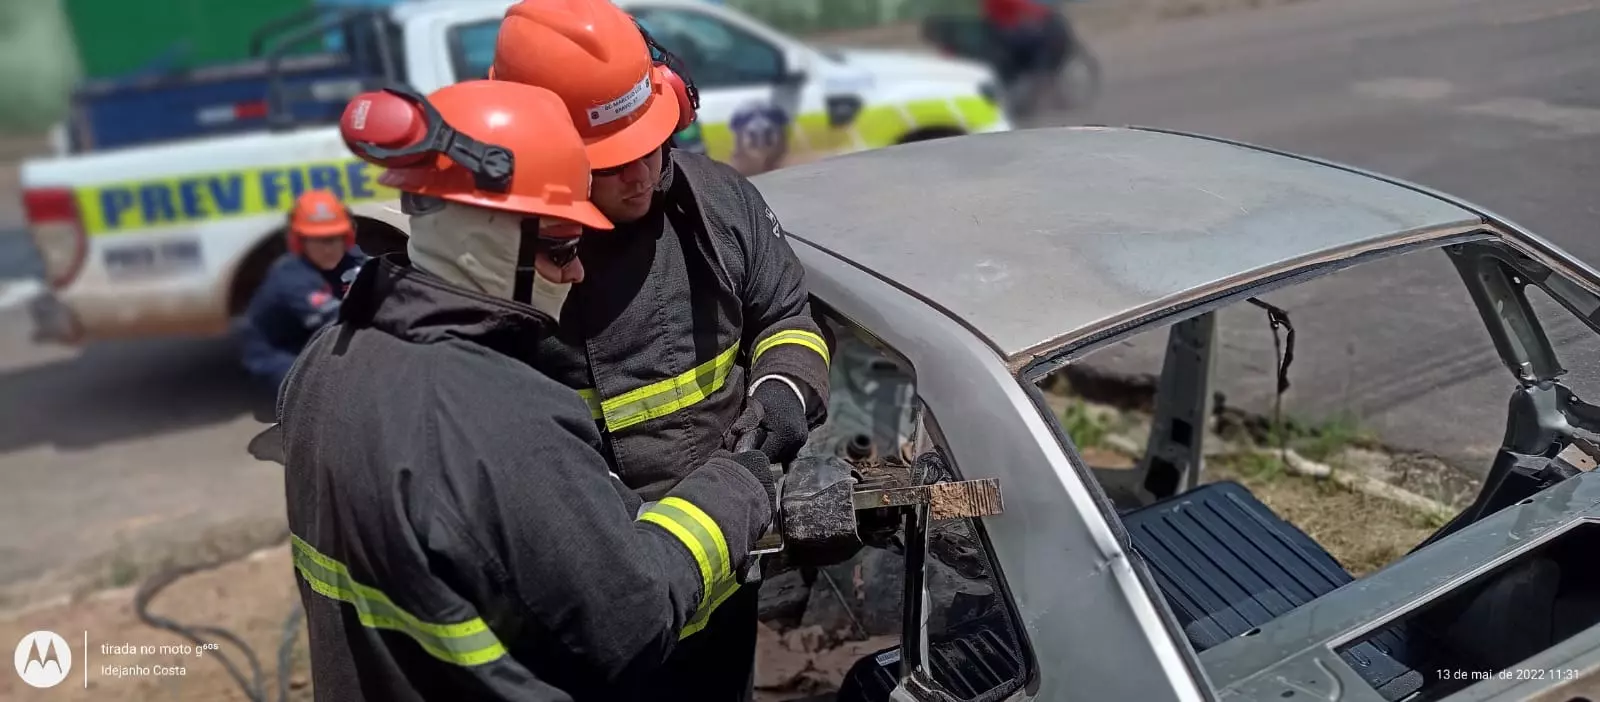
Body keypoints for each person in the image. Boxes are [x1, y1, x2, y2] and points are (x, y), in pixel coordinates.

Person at [279, 78, 777, 701]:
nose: (576, 271)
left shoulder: (323, 365)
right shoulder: (507, 419)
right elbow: (634, 618)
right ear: (488, 239)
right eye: (561, 247)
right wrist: (737, 484)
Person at [490, 3, 834, 698]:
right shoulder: (493, 253)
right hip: (580, 603)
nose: (641, 175)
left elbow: (788, 315)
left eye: (650, 144)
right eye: (610, 163)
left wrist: (784, 393)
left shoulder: (719, 204)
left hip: (726, 559)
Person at [236, 189, 367, 391]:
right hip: (279, 354)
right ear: (299, 242)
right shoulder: (290, 277)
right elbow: (341, 326)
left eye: (335, 238)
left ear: (347, 237)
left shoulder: (351, 259)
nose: (328, 249)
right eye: (317, 240)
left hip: (311, 339)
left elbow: (384, 282)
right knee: (336, 392)